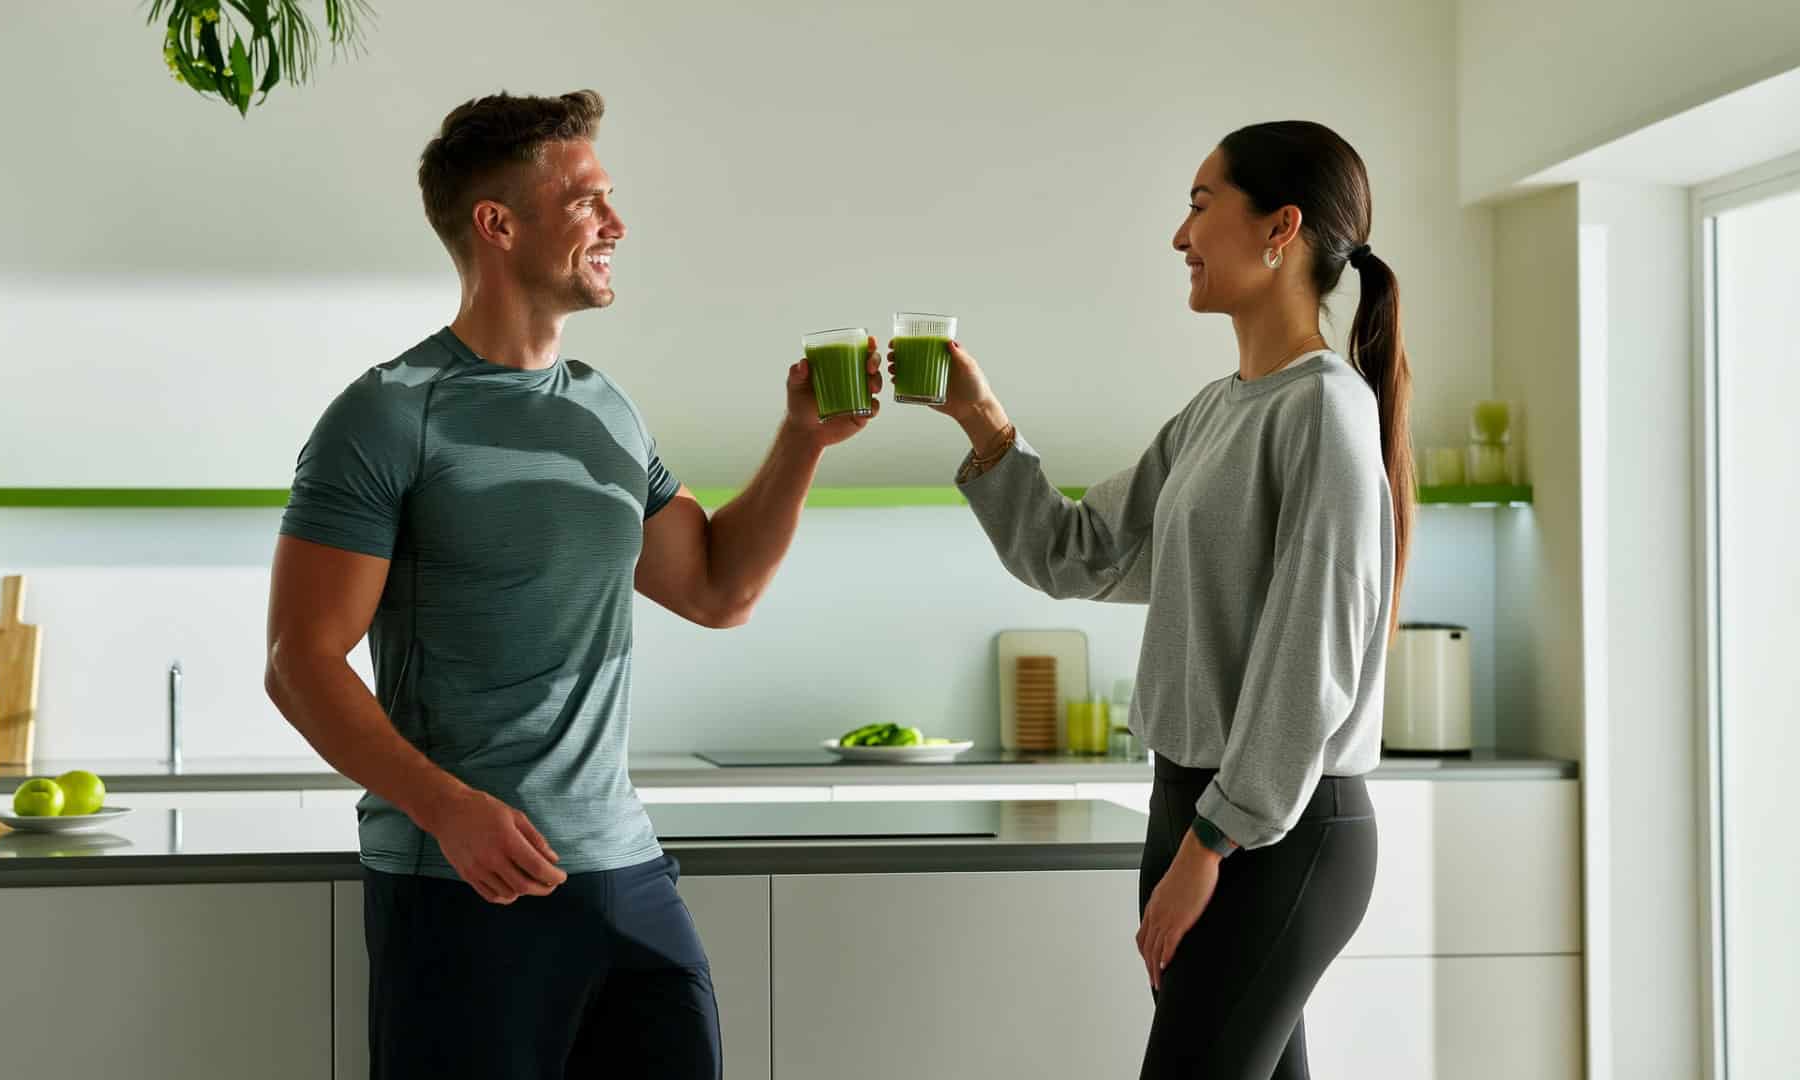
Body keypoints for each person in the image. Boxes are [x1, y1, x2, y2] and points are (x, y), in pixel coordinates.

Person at [263, 89, 880, 1079]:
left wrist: (803, 441)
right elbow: (300, 661)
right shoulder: (386, 415)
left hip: (622, 870)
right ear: (498, 225)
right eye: (589, 201)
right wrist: (445, 807)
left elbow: (718, 589)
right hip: (464, 885)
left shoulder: (605, 407)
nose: (618, 225)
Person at [899, 120, 1410, 1079]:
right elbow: (1077, 553)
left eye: (1200, 204)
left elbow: (1310, 663)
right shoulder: (1218, 411)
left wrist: (1210, 844)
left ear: (1280, 228)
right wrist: (979, 415)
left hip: (1274, 831)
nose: (1181, 237)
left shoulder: (1328, 411)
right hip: (1195, 809)